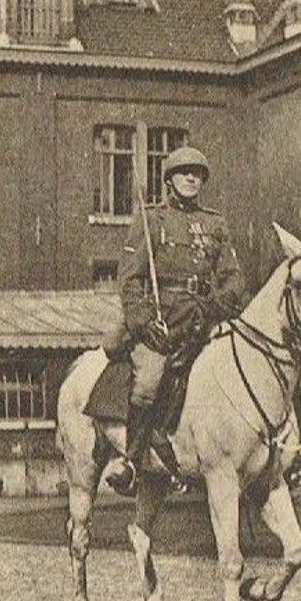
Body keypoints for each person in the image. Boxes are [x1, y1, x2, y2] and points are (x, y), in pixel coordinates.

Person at [106, 145, 245, 495]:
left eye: (197, 174)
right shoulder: (152, 220)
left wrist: (219, 304)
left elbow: (232, 277)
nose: (190, 178)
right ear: (169, 179)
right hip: (162, 319)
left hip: (203, 316)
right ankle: (132, 461)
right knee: (150, 379)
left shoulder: (215, 224)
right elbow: (130, 278)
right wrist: (142, 321)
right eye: (183, 172)